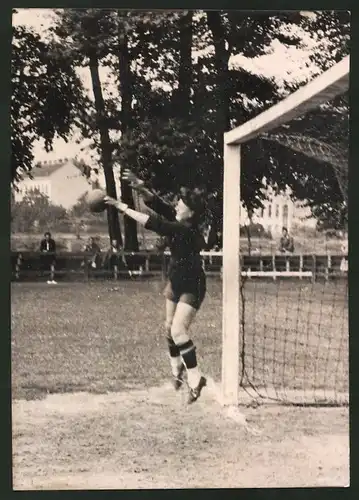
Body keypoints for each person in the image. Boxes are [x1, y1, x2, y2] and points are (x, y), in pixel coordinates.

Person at [105, 170, 207, 404]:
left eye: (181, 203)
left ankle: (195, 378)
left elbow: (152, 221)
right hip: (176, 279)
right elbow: (159, 206)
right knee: (168, 327)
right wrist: (141, 188)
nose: (177, 205)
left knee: (178, 331)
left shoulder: (184, 229)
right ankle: (177, 372)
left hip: (193, 283)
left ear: (190, 212)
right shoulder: (181, 219)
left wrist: (121, 206)